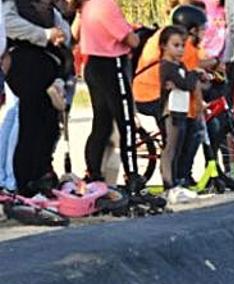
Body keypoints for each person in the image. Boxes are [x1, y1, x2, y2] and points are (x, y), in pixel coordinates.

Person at [3, 0, 71, 196]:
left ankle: (41, 176)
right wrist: (44, 34)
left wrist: (59, 35)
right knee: (29, 125)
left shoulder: (51, 9)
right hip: (26, 64)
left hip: (49, 65)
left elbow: (65, 32)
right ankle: (24, 184)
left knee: (48, 127)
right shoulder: (14, 3)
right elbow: (7, 23)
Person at [74, 0, 141, 187]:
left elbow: (75, 33)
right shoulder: (106, 4)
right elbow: (131, 40)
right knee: (125, 122)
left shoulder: (86, 5)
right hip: (112, 64)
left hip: (93, 64)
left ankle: (94, 172)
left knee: (101, 123)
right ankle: (132, 174)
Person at [157, 25, 208, 203]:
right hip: (170, 111)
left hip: (181, 109)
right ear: (164, 46)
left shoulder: (179, 65)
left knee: (179, 147)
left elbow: (187, 81)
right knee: (170, 148)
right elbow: (185, 83)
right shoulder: (166, 66)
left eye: (182, 46)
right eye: (175, 45)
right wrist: (193, 75)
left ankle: (177, 182)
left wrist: (196, 76)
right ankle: (168, 185)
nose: (180, 50)